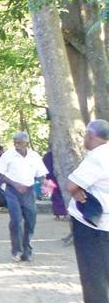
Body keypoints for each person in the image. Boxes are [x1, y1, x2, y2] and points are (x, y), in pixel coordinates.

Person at [66, 119, 109, 303]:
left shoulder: (98, 157)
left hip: (93, 227)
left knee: (93, 279)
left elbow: (71, 185)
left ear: (90, 136)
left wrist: (77, 192)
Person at [0, 131, 48, 262]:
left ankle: (27, 250)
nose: (17, 145)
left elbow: (41, 174)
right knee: (16, 220)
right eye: (15, 142)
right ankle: (16, 250)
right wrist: (15, 184)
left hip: (29, 192)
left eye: (19, 142)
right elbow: (1, 174)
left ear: (26, 143)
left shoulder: (34, 156)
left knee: (31, 220)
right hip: (12, 191)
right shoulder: (8, 155)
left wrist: (46, 186)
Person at [42, 150, 68, 220]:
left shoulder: (48, 156)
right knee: (59, 196)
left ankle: (58, 215)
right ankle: (63, 214)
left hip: (52, 178)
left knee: (56, 196)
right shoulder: (62, 153)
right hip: (60, 177)